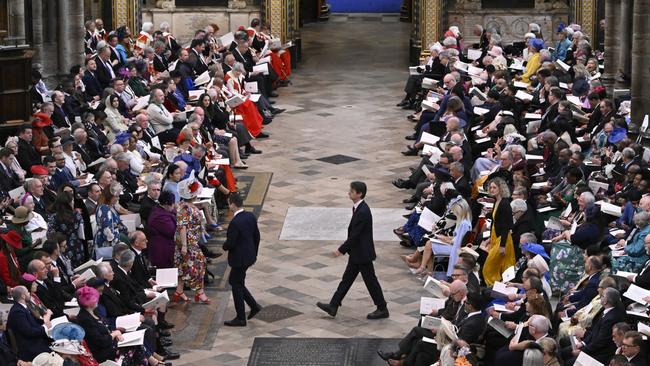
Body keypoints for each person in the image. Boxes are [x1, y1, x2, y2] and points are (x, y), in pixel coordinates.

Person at [317, 181, 389, 319]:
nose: (349, 192)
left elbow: (355, 235)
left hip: (362, 253)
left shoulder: (362, 211)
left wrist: (340, 250)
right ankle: (333, 305)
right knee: (347, 279)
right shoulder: (359, 208)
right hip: (358, 252)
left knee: (370, 281)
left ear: (359, 193)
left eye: (352, 191)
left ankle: (382, 308)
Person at [222, 192, 262, 326]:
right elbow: (257, 237)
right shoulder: (250, 216)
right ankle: (254, 306)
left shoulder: (235, 222)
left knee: (236, 284)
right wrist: (254, 253)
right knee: (236, 282)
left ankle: (240, 317)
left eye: (229, 203)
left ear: (232, 204)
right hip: (249, 256)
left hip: (239, 259)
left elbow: (231, 243)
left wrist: (224, 246)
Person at [172, 172, 210, 304]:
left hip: (189, 242)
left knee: (184, 266)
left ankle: (179, 291)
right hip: (188, 243)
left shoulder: (186, 206)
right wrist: (184, 245)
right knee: (199, 265)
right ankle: (200, 292)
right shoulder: (184, 209)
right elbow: (182, 227)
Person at [481, 177, 516, 286]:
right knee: (497, 267)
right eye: (490, 187)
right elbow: (495, 219)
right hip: (495, 237)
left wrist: (502, 245)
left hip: (503, 239)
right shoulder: (497, 201)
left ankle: (494, 287)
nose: (492, 189)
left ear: (501, 188)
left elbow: (506, 226)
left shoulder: (505, 203)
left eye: (494, 187)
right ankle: (496, 287)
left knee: (489, 268)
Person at [6, 285, 52, 362]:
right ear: (23, 296)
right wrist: (45, 327)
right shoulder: (17, 312)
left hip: (36, 341)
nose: (29, 293)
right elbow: (29, 332)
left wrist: (45, 322)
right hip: (30, 347)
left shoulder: (23, 307)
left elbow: (35, 322)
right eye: (27, 291)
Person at [46, 187, 85, 268]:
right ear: (69, 203)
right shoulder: (77, 215)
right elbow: (81, 230)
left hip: (62, 247)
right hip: (77, 245)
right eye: (72, 200)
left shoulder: (53, 217)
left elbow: (50, 234)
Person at [94, 182, 129, 257]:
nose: (118, 198)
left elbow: (119, 224)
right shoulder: (104, 209)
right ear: (109, 196)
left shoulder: (110, 207)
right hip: (107, 246)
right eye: (116, 196)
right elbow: (107, 232)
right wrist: (119, 244)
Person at [147, 190, 177, 269]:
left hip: (166, 245)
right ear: (167, 203)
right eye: (173, 203)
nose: (174, 205)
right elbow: (172, 231)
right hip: (162, 249)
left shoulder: (162, 209)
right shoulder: (159, 217)